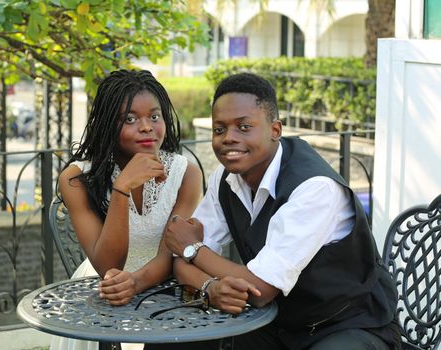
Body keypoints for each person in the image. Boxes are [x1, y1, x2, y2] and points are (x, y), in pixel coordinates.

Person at [163, 73, 400, 350]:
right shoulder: (225, 179)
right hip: (276, 322)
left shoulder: (314, 188)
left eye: (244, 126)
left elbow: (259, 289)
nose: (229, 138)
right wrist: (208, 287)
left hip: (347, 325)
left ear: (275, 130)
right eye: (219, 129)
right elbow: (179, 259)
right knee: (176, 341)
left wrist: (194, 248)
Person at [50, 69, 202, 350]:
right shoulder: (76, 178)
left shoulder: (186, 174)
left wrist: (137, 282)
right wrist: (121, 189)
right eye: (130, 119)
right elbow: (108, 266)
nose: (146, 127)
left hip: (165, 285)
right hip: (104, 288)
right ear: (108, 123)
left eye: (154, 117)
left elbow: (174, 249)